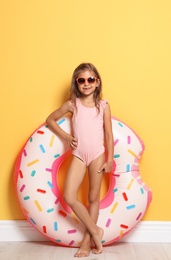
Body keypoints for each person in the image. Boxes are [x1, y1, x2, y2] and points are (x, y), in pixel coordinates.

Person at [46, 63, 114, 257]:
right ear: (77, 83)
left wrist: (109, 160)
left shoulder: (103, 106)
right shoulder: (72, 103)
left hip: (97, 155)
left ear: (97, 82)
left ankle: (86, 243)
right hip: (78, 155)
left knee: (93, 198)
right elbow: (50, 119)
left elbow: (108, 135)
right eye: (82, 80)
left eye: (90, 79)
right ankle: (95, 230)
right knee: (69, 196)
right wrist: (67, 138)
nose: (86, 84)